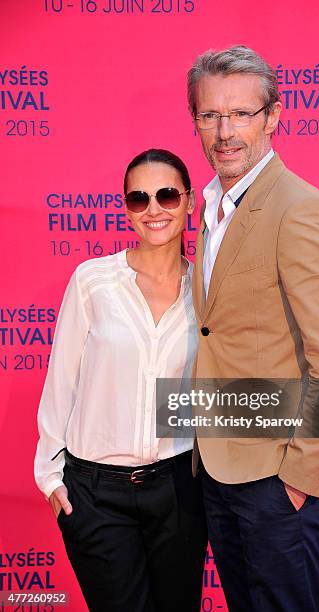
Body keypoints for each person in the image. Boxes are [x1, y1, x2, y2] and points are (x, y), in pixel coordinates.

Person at [187, 45, 319, 611]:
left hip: (277, 478)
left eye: (241, 113)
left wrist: (300, 475)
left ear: (274, 117)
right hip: (217, 465)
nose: (225, 131)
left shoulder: (300, 209)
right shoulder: (211, 209)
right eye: (211, 114)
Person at [34, 149, 207, 612]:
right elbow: (61, 382)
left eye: (168, 195)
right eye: (139, 198)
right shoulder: (93, 281)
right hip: (95, 493)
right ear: (126, 206)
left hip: (179, 488)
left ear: (189, 202)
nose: (154, 209)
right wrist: (51, 480)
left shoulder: (209, 290)